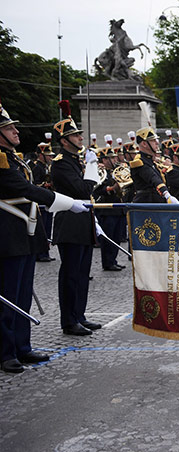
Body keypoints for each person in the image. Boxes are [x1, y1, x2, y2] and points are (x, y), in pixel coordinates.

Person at [0, 100, 90, 372]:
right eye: (9, 128)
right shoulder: (1, 159)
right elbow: (23, 188)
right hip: (8, 234)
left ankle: (22, 347)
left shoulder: (12, 158)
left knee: (23, 293)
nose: (16, 131)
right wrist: (66, 202)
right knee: (9, 295)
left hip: (24, 233)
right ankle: (6, 353)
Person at [50, 100, 103, 336]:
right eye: (75, 136)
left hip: (83, 223)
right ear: (64, 141)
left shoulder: (74, 161)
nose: (81, 139)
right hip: (69, 225)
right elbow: (83, 190)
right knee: (70, 274)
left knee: (82, 274)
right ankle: (68, 321)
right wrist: (92, 168)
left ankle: (79, 315)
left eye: (80, 135)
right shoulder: (61, 164)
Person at [29, 134, 56, 262]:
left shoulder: (46, 167)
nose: (50, 157)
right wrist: (45, 185)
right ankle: (41, 253)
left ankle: (45, 251)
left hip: (47, 201)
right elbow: (33, 184)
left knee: (47, 227)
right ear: (40, 155)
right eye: (48, 155)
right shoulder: (36, 167)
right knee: (42, 228)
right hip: (39, 202)